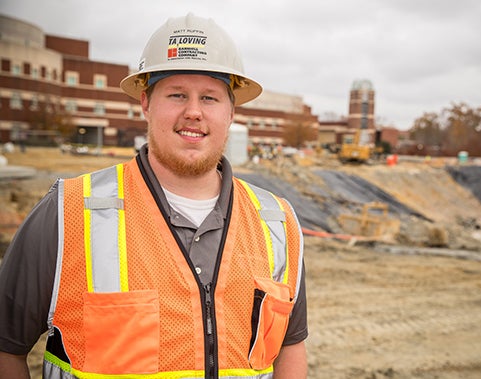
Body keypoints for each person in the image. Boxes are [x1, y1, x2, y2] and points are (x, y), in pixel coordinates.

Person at [0, 13, 307, 379]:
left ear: (231, 112)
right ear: (146, 103)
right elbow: (6, 348)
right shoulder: (68, 214)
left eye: (209, 98)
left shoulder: (276, 221)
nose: (193, 112)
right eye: (177, 94)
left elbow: (289, 347)